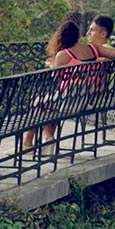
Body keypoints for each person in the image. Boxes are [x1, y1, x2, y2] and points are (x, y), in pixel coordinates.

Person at [21, 17, 99, 153]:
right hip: (84, 101)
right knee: (48, 108)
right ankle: (46, 138)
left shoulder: (63, 55)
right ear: (78, 36)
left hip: (66, 103)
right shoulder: (91, 50)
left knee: (37, 103)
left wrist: (52, 65)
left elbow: (57, 76)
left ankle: (31, 142)